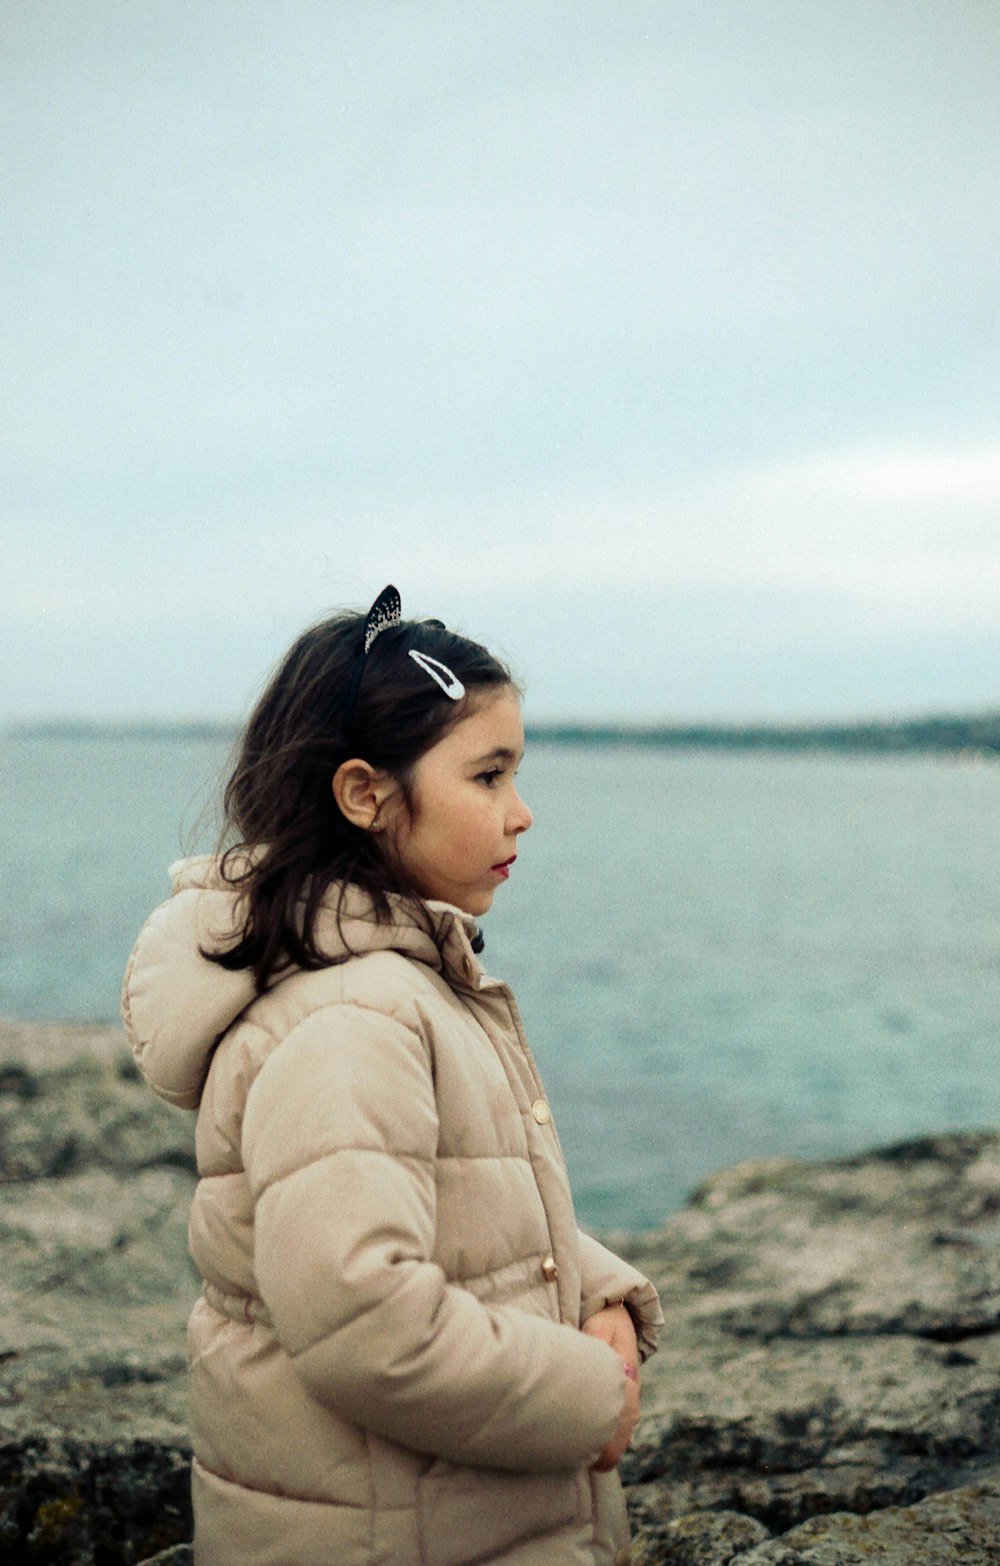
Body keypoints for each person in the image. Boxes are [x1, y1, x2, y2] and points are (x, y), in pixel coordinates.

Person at [122, 586, 663, 1566]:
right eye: (489, 775)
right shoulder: (347, 1017)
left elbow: (469, 1193)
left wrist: (601, 1293)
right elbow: (363, 1317)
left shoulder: (398, 982)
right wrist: (591, 1399)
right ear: (365, 794)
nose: (522, 812)